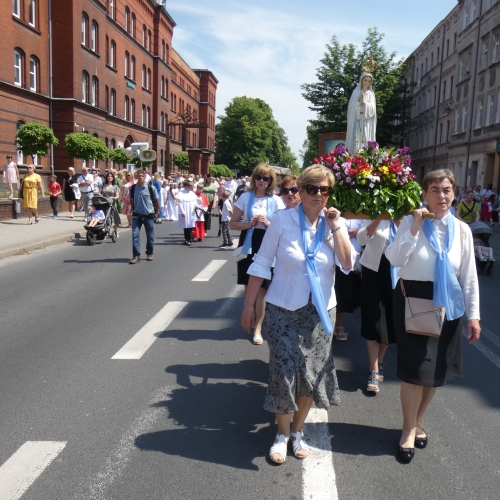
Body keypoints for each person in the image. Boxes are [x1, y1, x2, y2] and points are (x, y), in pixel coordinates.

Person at [241, 165, 353, 464]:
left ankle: (297, 431)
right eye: (312, 189)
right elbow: (261, 263)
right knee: (283, 372)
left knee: (310, 374)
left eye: (324, 189)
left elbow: (347, 263)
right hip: (283, 309)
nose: (318, 194)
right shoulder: (283, 220)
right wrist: (249, 306)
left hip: (320, 311)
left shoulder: (334, 223)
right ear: (300, 191)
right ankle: (281, 434)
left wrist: (336, 226)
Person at [385, 169, 480, 463]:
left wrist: (474, 316)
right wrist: (414, 227)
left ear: (454, 194)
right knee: (415, 371)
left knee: (435, 372)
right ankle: (407, 429)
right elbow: (394, 259)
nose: (441, 195)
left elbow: (468, 276)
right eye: (435, 190)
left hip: (447, 302)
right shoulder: (409, 222)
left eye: (447, 189)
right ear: (424, 194)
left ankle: (418, 420)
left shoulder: (462, 230)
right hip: (413, 300)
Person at [230, 163, 285, 345]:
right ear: (254, 179)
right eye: (258, 177)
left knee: (262, 288)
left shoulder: (276, 200)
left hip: (267, 242)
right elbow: (232, 223)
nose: (262, 181)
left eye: (266, 178)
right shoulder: (245, 197)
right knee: (248, 286)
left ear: (271, 181)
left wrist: (268, 223)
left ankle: (258, 328)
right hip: (248, 241)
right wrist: (248, 224)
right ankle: (249, 315)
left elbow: (282, 226)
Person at [356, 218, 400, 392]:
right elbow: (361, 239)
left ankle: (380, 360)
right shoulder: (374, 211)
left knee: (390, 318)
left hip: (397, 269)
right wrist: (379, 217)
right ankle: (373, 369)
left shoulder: (407, 214)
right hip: (373, 268)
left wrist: (399, 222)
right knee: (373, 317)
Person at [334, 219, 363, 341]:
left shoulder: (362, 214)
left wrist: (358, 233)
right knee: (333, 293)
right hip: (333, 257)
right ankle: (327, 325)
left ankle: (338, 325)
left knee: (345, 295)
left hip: (353, 259)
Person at [129, 169, 160, 263]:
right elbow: (131, 199)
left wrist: (157, 212)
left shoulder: (151, 188)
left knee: (150, 236)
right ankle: (136, 256)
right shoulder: (133, 188)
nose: (141, 177)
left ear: (145, 177)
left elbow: (156, 201)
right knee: (135, 235)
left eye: (142, 176)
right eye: (139, 176)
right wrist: (132, 208)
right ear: (136, 177)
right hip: (137, 215)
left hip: (148, 215)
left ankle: (149, 253)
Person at [346, 72, 377, 154]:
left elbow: (373, 109)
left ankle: (366, 156)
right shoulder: (356, 92)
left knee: (366, 139)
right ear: (361, 80)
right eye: (365, 80)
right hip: (357, 120)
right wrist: (358, 104)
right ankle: (354, 156)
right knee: (356, 140)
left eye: (369, 81)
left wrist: (365, 104)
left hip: (366, 122)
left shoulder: (370, 94)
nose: (367, 82)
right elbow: (351, 107)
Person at [177, 180, 199, 246]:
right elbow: (180, 204)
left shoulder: (191, 193)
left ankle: (189, 238)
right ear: (187, 186)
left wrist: (196, 205)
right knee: (185, 225)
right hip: (185, 210)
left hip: (191, 210)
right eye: (191, 186)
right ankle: (187, 239)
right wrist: (182, 211)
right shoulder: (181, 193)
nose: (192, 188)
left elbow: (194, 201)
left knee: (190, 224)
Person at [102, 172, 121, 238]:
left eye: (111, 176)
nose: (109, 177)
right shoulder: (103, 185)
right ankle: (107, 232)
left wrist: (114, 198)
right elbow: (99, 193)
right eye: (108, 176)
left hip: (111, 204)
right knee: (106, 218)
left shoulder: (115, 186)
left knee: (113, 218)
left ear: (113, 178)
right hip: (104, 203)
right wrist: (101, 196)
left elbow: (117, 196)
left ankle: (116, 232)